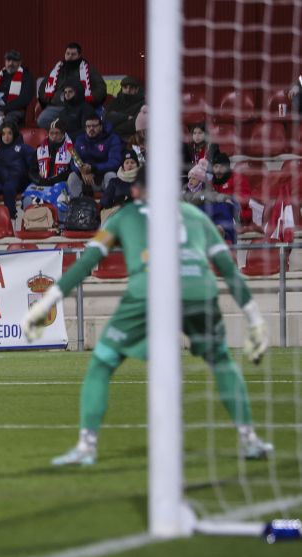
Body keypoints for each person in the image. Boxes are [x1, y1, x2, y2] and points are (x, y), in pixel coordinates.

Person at [21, 167, 273, 466]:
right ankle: (249, 439)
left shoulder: (125, 216)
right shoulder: (195, 217)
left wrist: (45, 303)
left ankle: (87, 446)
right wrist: (255, 319)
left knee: (102, 361)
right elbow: (230, 270)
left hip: (150, 293)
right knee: (221, 361)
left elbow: (86, 262)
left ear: (136, 192)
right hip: (199, 292)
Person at [36, 42, 107, 130]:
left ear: (79, 55)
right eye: (67, 53)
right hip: (57, 106)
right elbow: (43, 87)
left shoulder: (88, 70)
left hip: (78, 107)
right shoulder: (57, 69)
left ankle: (69, 134)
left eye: (73, 54)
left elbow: (101, 88)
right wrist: (49, 99)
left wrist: (87, 100)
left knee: (81, 123)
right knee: (42, 121)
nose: (69, 56)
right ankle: (61, 134)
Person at [0, 121, 37, 230]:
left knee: (8, 187)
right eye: (3, 134)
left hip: (18, 181)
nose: (6, 137)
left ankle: (11, 219)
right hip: (1, 181)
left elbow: (33, 164)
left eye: (9, 133)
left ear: (14, 134)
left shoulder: (24, 148)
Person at [182, 159, 238, 243]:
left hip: (202, 213)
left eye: (194, 178)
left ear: (200, 180)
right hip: (191, 213)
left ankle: (222, 231)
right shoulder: (185, 191)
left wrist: (225, 198)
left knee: (221, 208)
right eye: (190, 178)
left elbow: (215, 196)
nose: (190, 181)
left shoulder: (205, 191)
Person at [0, 49, 35, 129]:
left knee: (7, 122)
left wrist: (4, 109)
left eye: (14, 60)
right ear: (5, 62)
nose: (11, 63)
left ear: (20, 62)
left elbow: (24, 99)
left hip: (15, 111)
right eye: (8, 60)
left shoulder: (26, 76)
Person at [68, 115, 122, 199]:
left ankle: (112, 206)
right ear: (85, 128)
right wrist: (81, 171)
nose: (91, 129)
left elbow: (115, 161)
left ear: (101, 127)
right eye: (88, 126)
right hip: (86, 179)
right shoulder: (80, 139)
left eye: (94, 126)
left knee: (111, 176)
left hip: (103, 178)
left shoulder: (112, 138)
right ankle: (79, 205)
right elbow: (73, 161)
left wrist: (93, 168)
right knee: (72, 177)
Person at [210, 152, 253, 227]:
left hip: (238, 216)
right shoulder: (210, 183)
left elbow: (244, 199)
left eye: (222, 167)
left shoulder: (238, 178)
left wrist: (227, 199)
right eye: (216, 167)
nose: (218, 170)